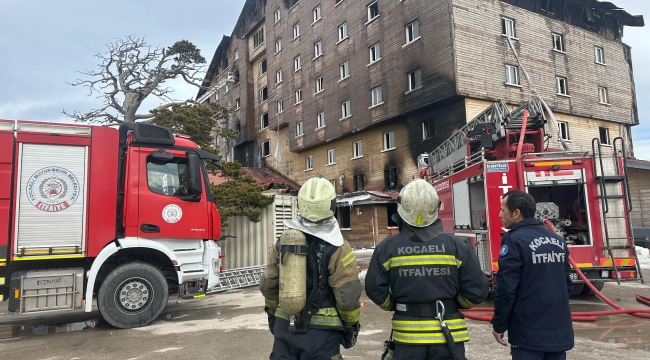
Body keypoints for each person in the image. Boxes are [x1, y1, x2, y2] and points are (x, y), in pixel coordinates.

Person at [365, 179, 488, 360]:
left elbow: (375, 289)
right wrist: (453, 303)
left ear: (401, 208)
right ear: (436, 207)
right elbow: (477, 290)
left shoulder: (387, 248)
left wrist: (393, 304)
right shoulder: (457, 245)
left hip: (407, 338)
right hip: (449, 337)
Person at [260, 176, 362, 360]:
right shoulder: (338, 247)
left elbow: (269, 284)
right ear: (331, 206)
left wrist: (273, 316)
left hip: (285, 328)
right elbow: (348, 295)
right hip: (321, 336)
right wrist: (351, 325)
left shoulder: (282, 242)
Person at [491, 190, 574, 359]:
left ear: (516, 213)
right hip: (558, 331)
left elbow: (506, 289)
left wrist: (499, 324)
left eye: (502, 210)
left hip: (528, 333)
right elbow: (567, 284)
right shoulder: (557, 240)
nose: (500, 215)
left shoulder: (514, 240)